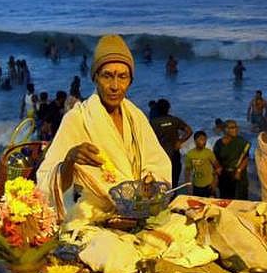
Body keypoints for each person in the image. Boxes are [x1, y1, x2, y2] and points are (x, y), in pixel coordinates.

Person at [36, 34, 171, 227]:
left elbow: (158, 164)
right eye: (107, 76)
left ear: (130, 80)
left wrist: (150, 183)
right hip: (94, 219)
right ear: (95, 78)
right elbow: (45, 184)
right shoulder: (78, 119)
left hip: (138, 214)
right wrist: (69, 160)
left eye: (122, 77)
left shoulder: (136, 117)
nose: (115, 86)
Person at [150, 98, 193, 187]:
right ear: (168, 108)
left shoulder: (153, 123)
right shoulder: (174, 120)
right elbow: (189, 131)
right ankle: (174, 198)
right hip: (174, 154)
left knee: (161, 183)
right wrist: (180, 141)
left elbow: (147, 139)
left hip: (160, 156)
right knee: (175, 182)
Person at [214, 120, 250, 200]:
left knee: (240, 201)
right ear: (226, 129)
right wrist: (216, 175)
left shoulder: (242, 142)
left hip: (239, 176)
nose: (236, 129)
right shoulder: (219, 144)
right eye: (232, 128)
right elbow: (216, 160)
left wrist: (239, 170)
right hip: (224, 176)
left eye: (236, 127)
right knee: (225, 200)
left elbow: (246, 158)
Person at [184, 131, 221, 197]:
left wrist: (214, 182)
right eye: (201, 139)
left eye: (205, 139)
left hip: (209, 185)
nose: (204, 142)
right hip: (196, 186)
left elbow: (218, 168)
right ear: (195, 141)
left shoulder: (209, 152)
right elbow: (187, 171)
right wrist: (188, 185)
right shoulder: (190, 154)